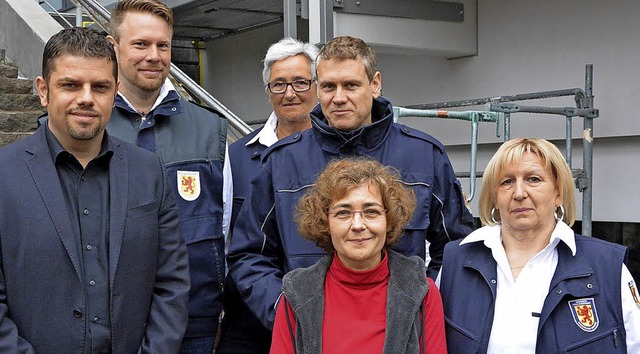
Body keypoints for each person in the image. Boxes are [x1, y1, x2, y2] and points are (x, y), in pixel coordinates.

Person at [228, 35, 475, 331]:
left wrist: (422, 305)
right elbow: (249, 253)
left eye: (351, 85)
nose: (339, 97)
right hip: (311, 335)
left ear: (375, 84)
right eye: (329, 87)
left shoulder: (423, 155)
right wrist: (285, 311)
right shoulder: (282, 161)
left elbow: (456, 247)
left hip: (400, 335)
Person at [0, 27, 189, 353]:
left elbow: (171, 283)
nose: (86, 97)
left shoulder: (149, 171)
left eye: (100, 87)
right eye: (70, 85)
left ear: (115, 92)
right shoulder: (4, 174)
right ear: (44, 91)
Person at [105, 1, 231, 352]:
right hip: (112, 325)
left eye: (163, 45)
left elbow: (225, 229)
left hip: (196, 323)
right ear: (113, 46)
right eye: (141, 44)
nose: (154, 55)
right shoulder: (88, 128)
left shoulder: (211, 129)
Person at [438, 137, 640, 353]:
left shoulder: (608, 268)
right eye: (506, 182)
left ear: (559, 193)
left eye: (533, 179)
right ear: (495, 197)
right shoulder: (456, 262)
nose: (519, 193)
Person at [270, 158, 447, 353]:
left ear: (389, 220)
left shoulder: (421, 291)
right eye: (343, 213)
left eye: (371, 212)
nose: (357, 225)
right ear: (325, 223)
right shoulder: (297, 292)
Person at [218, 37, 319, 353]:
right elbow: (225, 238)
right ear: (268, 91)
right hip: (247, 324)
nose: (290, 93)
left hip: (319, 321)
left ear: (317, 86)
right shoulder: (236, 157)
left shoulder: (340, 155)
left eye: (300, 82)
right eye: (279, 85)